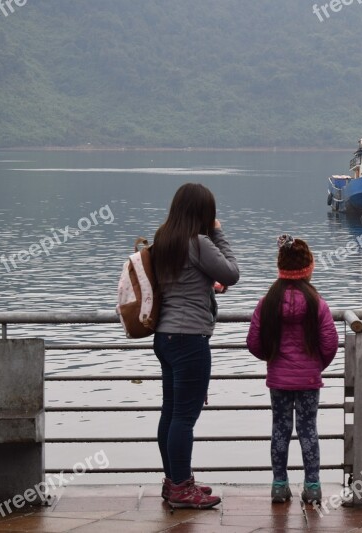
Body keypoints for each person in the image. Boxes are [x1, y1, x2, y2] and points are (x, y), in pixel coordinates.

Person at [153, 183, 240, 509]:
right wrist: (218, 233)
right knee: (184, 418)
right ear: (204, 213)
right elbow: (232, 273)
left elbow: (182, 283)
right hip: (190, 339)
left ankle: (175, 481)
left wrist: (207, 287)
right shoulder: (199, 241)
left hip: (164, 337)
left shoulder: (164, 239)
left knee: (170, 414)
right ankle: (181, 488)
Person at [246, 234, 338, 504]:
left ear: (280, 267)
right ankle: (312, 487)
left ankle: (279, 485)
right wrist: (316, 365)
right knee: (308, 430)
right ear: (308, 267)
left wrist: (271, 358)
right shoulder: (317, 303)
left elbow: (253, 341)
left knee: (280, 430)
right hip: (309, 379)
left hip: (278, 379)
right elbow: (330, 342)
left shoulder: (268, 302)